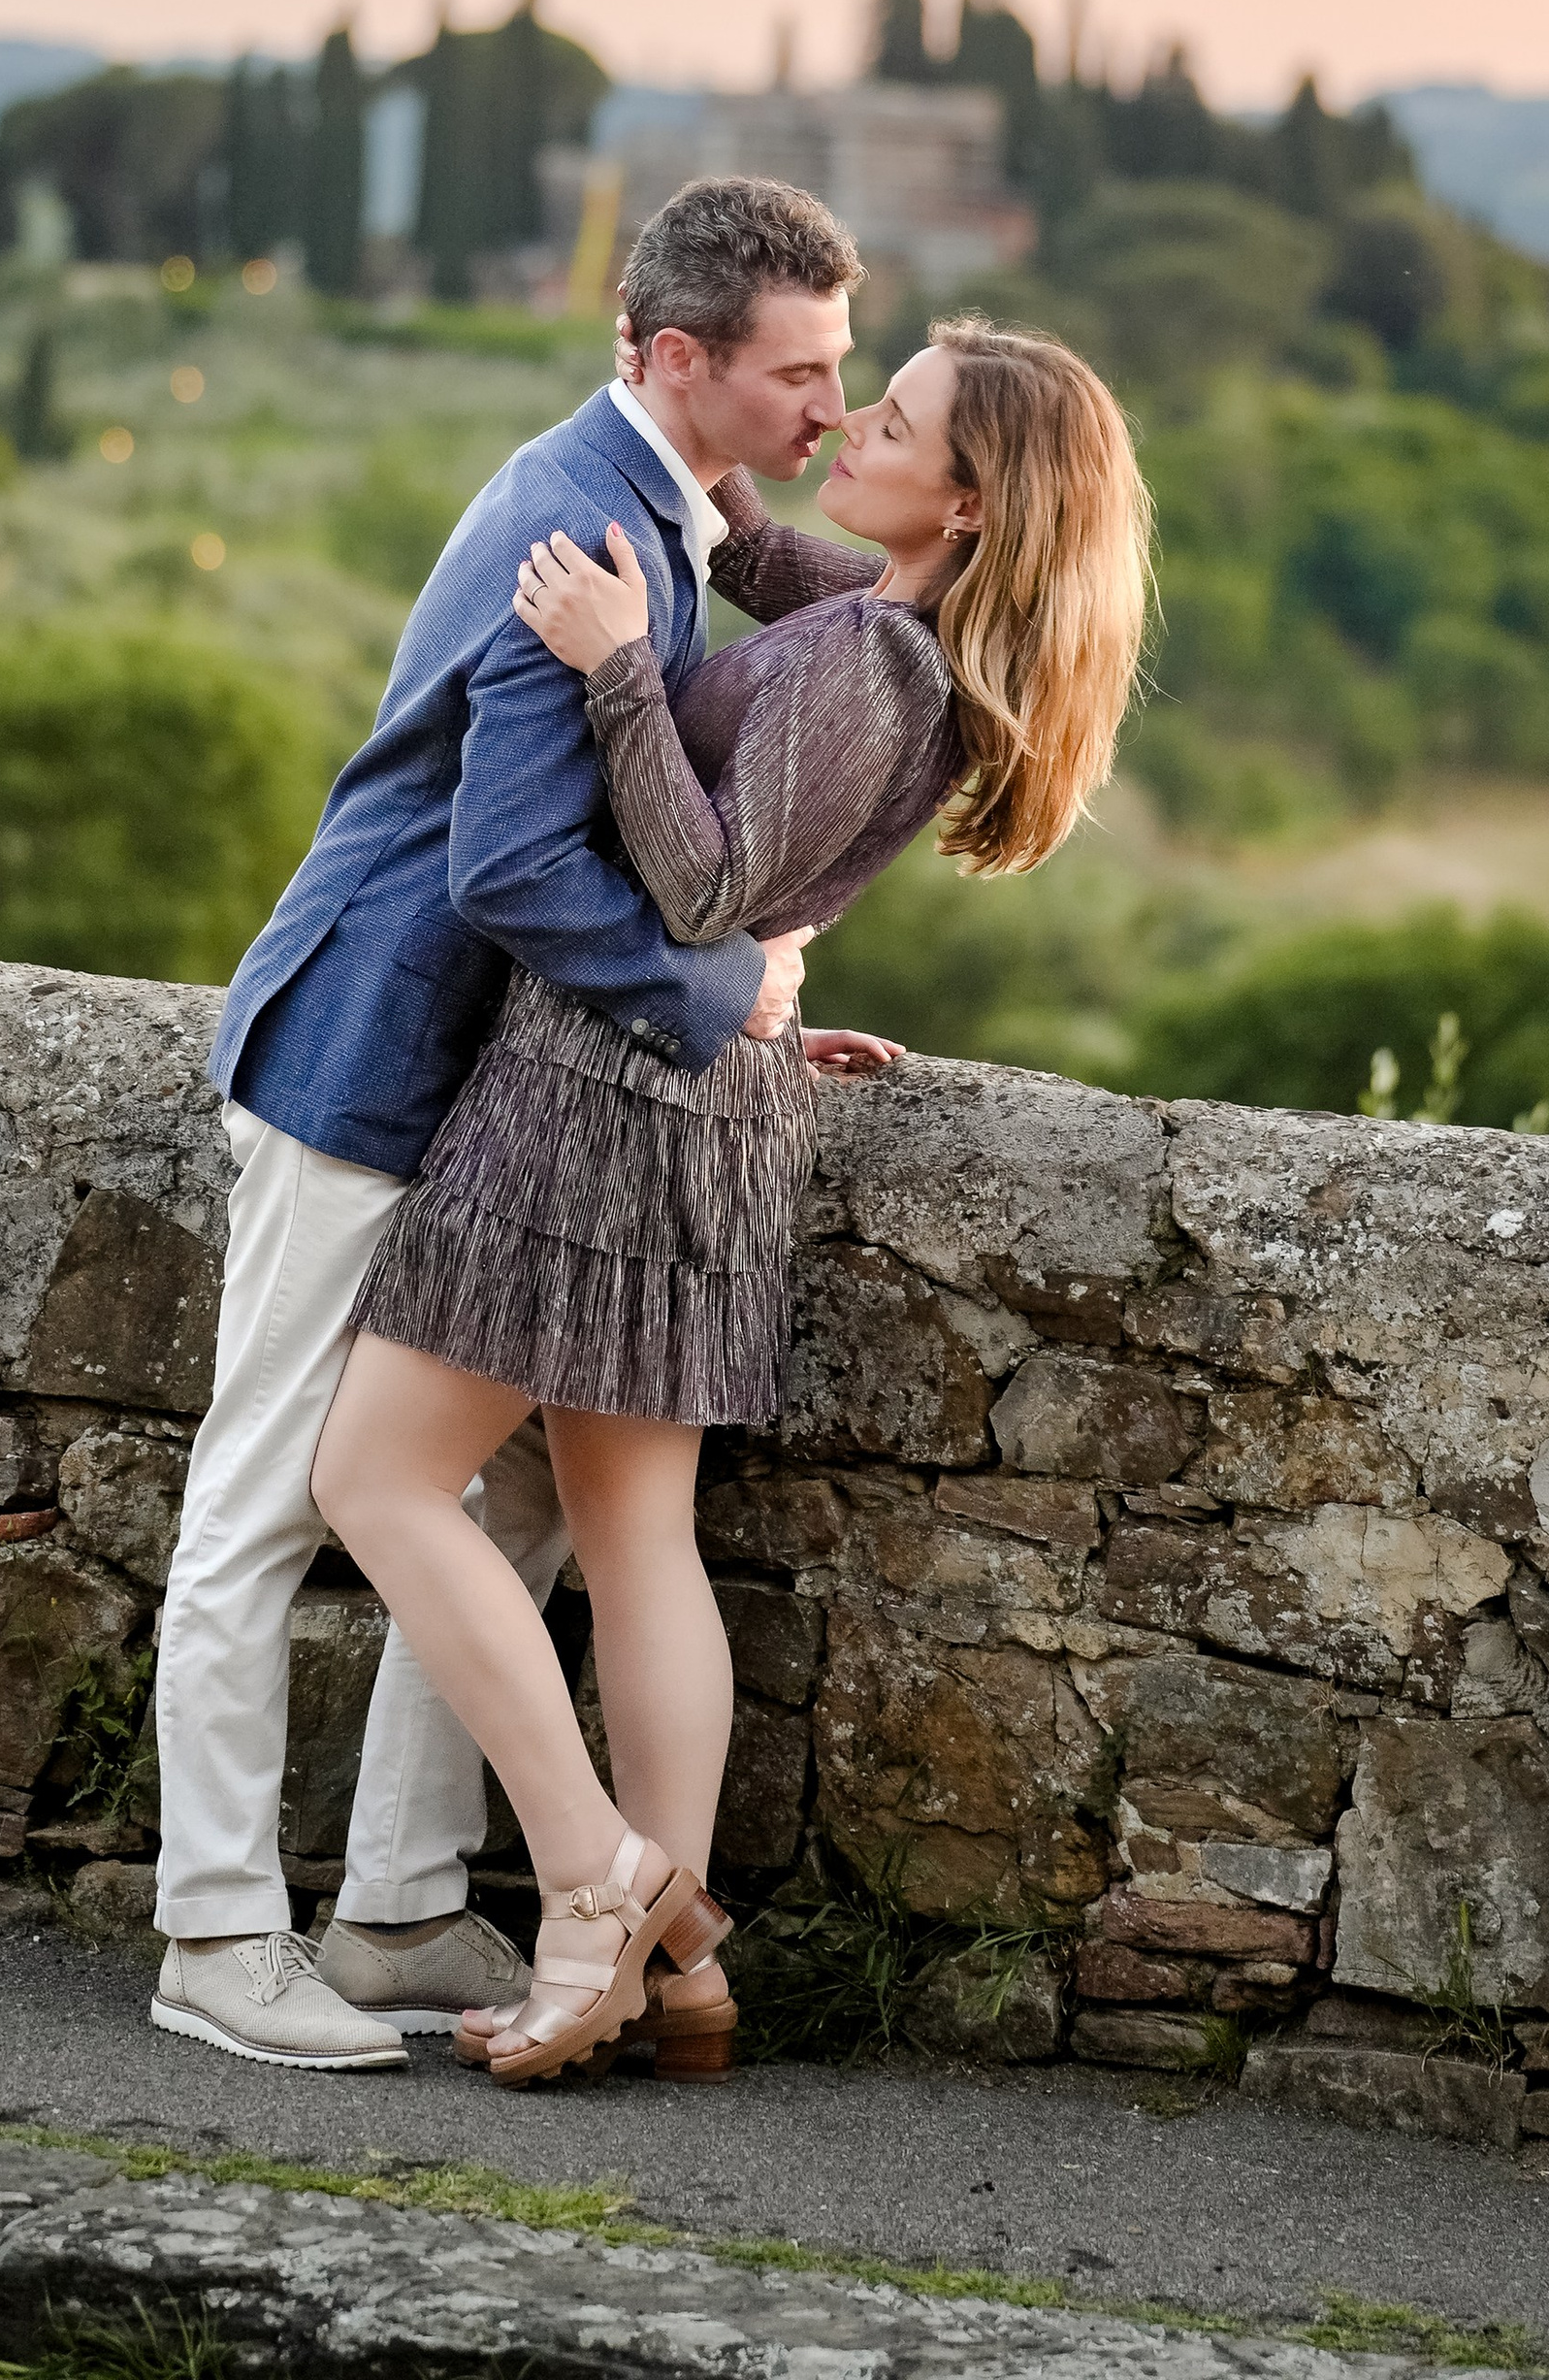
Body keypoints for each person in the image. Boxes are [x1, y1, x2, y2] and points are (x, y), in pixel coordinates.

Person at [309, 312, 1152, 2083]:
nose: (849, 419)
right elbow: (766, 556)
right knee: (631, 1542)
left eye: (892, 415)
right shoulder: (902, 627)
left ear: (974, 503)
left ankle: (604, 1884)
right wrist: (681, 439)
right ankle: (674, 1979)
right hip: (706, 1107)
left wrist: (620, 667)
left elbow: (700, 891)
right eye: (847, 386)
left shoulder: (876, 666)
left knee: (375, 1475)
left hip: (602, 1107)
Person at [149, 177, 864, 2070]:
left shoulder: (665, 511)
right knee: (260, 1505)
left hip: (482, 1083)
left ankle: (394, 1907)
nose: (824, 408)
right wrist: (727, 1006)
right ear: (678, 358)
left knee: (490, 1502)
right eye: (798, 372)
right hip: (365, 1053)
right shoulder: (577, 512)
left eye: (842, 373)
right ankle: (213, 1940)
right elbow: (511, 865)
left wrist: (759, 1014)